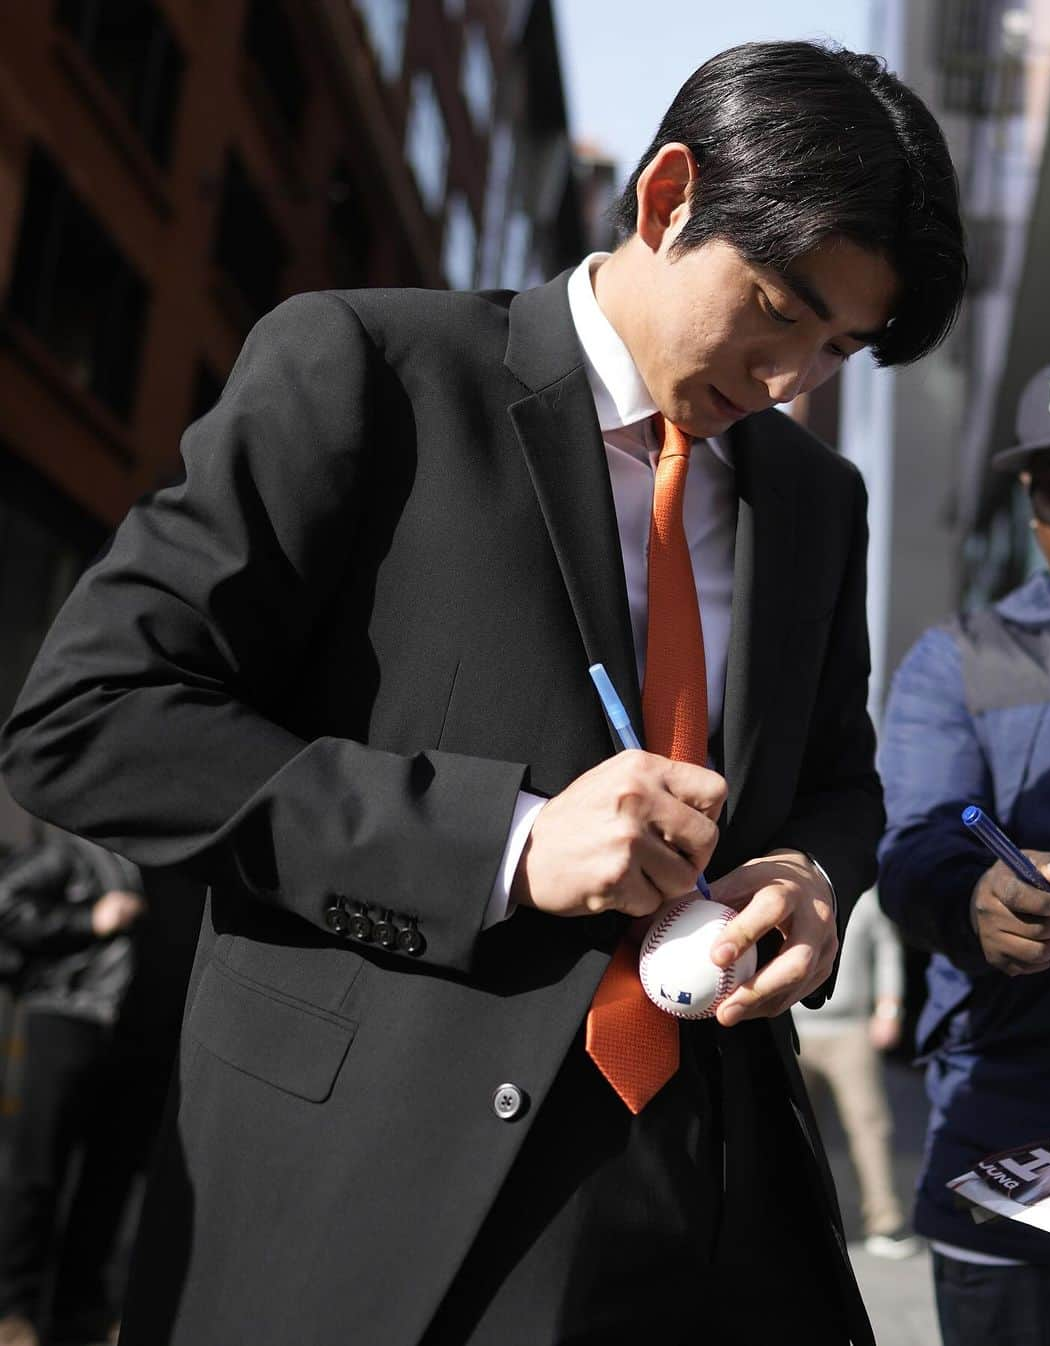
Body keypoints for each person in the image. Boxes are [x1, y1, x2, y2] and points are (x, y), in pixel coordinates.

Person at [0, 41, 965, 1346]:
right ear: (667, 194)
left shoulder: (813, 499)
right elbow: (92, 715)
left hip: (715, 1204)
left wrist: (807, 872)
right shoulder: (365, 370)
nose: (793, 380)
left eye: (841, 348)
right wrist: (505, 843)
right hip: (380, 1197)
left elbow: (840, 779)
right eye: (782, 309)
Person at [878, 352, 1050, 1346]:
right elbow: (916, 850)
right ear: (1030, 498)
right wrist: (978, 905)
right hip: (1024, 1131)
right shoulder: (959, 658)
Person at [0, 831, 145, 1346]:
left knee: (108, 1179)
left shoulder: (161, 861)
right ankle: (13, 1310)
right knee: (39, 1168)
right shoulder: (70, 849)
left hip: (129, 1032)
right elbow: (5, 902)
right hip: (64, 1017)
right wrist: (89, 918)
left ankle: (76, 1309)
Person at [792, 889, 920, 1259]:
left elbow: (887, 950)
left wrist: (890, 1008)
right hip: (790, 1027)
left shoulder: (861, 895)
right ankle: (797, 1222)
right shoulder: (774, 880)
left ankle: (884, 1221)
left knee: (869, 1124)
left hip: (850, 1028)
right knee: (793, 1130)